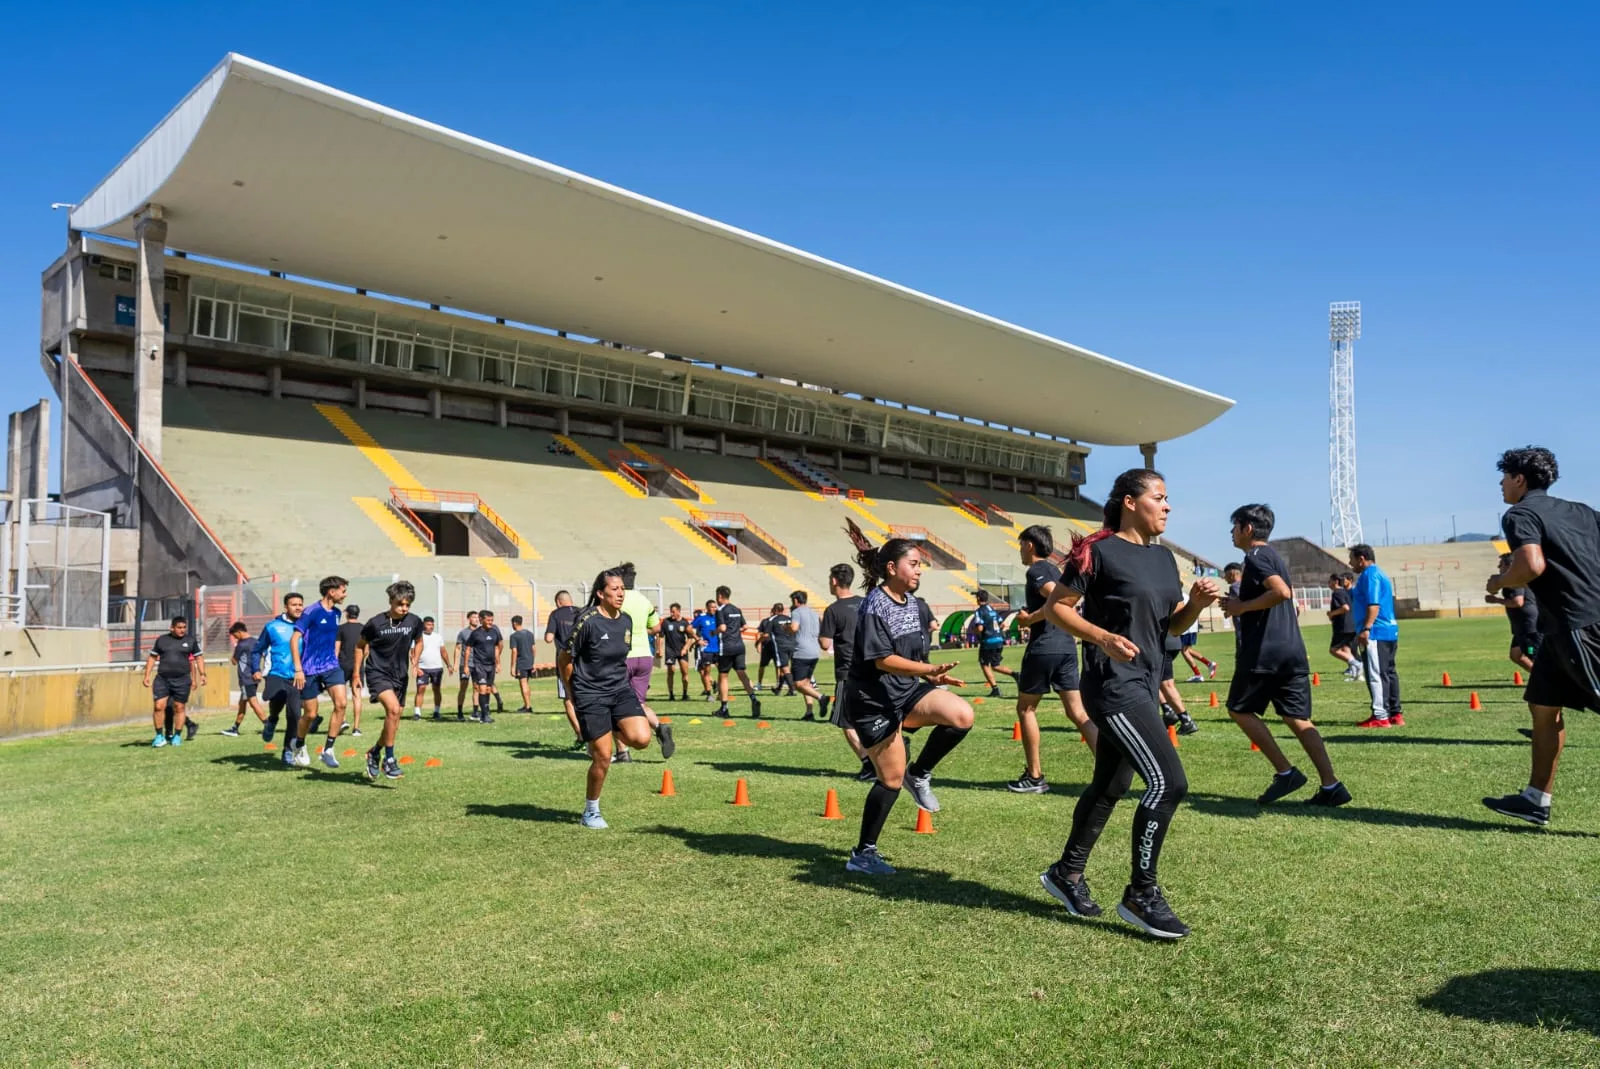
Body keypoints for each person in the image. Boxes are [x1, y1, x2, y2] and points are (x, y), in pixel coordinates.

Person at [1037, 468, 1221, 940]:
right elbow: (1058, 606)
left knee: (1112, 783)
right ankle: (1141, 894)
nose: (1168, 506)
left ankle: (1066, 873)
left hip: (1146, 682)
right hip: (1112, 685)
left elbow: (1170, 628)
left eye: (1167, 498)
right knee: (1169, 782)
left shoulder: (1163, 560)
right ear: (1130, 502)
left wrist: (1196, 604)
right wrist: (1102, 637)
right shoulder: (1097, 551)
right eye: (1160, 497)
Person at [839, 520, 975, 876]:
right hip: (873, 700)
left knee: (961, 715)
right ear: (891, 568)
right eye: (913, 563)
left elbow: (913, 653)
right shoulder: (873, 605)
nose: (919, 570)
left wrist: (932, 673)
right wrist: (925, 671)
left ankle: (922, 773)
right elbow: (882, 659)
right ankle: (863, 853)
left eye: (919, 564)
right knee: (890, 781)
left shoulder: (914, 604)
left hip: (907, 692)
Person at [1482, 447, 1600, 826]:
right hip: (1558, 629)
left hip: (1579, 624)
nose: (1500, 484)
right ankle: (1536, 800)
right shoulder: (1582, 511)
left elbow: (1532, 565)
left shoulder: (1520, 513)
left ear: (1520, 479)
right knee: (1543, 707)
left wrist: (1500, 580)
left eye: (1504, 477)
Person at [1220, 504, 1351, 807]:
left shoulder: (1255, 556)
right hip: (1292, 651)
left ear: (1247, 528)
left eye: (1234, 526)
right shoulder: (1273, 556)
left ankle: (1286, 772)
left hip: (1265, 652)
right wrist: (1238, 602)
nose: (1231, 532)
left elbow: (1281, 592)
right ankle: (1332, 786)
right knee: (1297, 718)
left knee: (1238, 710)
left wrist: (1240, 608)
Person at [1007, 525, 1098, 794]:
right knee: (1078, 713)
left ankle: (1034, 777)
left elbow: (1058, 602)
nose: (1020, 550)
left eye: (1021, 544)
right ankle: (1109, 772)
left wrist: (1028, 619)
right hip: (1066, 647)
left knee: (1026, 709)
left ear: (1030, 545)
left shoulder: (1036, 570)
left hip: (1045, 647)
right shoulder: (1056, 570)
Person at [565, 568, 653, 828]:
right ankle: (591, 810)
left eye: (622, 589)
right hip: (591, 694)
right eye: (614, 589)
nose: (620, 593)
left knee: (642, 739)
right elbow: (565, 658)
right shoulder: (587, 620)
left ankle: (613, 725)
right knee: (603, 756)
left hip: (619, 689)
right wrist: (572, 693)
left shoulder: (626, 620)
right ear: (600, 594)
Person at [354, 581, 425, 783]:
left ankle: (375, 751)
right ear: (391, 601)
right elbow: (360, 646)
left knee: (394, 720)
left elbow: (419, 641)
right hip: (377, 671)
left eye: (407, 605)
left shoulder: (414, 622)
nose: (404, 608)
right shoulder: (375, 623)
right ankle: (390, 759)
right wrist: (357, 674)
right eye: (400, 604)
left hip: (400, 675)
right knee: (393, 710)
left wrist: (415, 660)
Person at [289, 576, 352, 769]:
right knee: (310, 714)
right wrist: (298, 670)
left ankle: (328, 750)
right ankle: (298, 743)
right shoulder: (311, 612)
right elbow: (294, 640)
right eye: (342, 590)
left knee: (341, 704)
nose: (345, 594)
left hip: (331, 666)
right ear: (331, 591)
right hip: (308, 669)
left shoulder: (336, 613)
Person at [819, 564, 872, 780]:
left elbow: (824, 644)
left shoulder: (833, 610)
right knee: (870, 718)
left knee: (845, 721)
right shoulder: (865, 603)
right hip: (871, 669)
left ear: (833, 581)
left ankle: (869, 764)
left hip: (847, 673)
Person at [616, 563, 674, 760]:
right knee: (638, 702)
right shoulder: (643, 600)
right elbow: (657, 627)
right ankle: (659, 726)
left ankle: (623, 752)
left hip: (624, 657)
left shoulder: (618, 599)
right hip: (644, 656)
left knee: (615, 703)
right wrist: (641, 630)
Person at [1349, 545, 1402, 728]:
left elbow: (1374, 605)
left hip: (1376, 632)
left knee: (1376, 673)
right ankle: (1395, 713)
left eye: (1352, 559)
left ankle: (1380, 716)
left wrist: (1366, 629)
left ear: (1361, 559)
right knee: (1389, 672)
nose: (1350, 563)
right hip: (1388, 630)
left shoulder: (1370, 575)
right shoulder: (1377, 573)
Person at [254, 593, 305, 760]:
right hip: (276, 673)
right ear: (286, 607)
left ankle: (288, 750)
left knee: (295, 715)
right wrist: (256, 668)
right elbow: (258, 649)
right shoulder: (273, 627)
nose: (298, 607)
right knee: (276, 698)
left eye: (300, 604)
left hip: (297, 677)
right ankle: (272, 720)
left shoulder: (306, 627)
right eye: (294, 604)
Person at [143, 615, 203, 748]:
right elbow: (152, 658)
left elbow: (196, 660)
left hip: (182, 680)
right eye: (179, 627)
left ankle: (177, 736)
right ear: (172, 628)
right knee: (159, 706)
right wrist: (146, 675)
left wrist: (200, 676)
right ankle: (159, 736)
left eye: (184, 627)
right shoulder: (162, 640)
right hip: (163, 679)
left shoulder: (190, 641)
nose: (182, 630)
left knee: (179, 707)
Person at [1485, 552, 1540, 675]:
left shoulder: (1514, 581)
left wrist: (1496, 600)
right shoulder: (1513, 580)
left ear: (1509, 565)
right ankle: (1537, 677)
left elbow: (1518, 602)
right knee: (1516, 655)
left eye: (1501, 565)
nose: (1499, 568)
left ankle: (1548, 681)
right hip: (1522, 625)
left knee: (1534, 656)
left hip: (1528, 625)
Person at [543, 591, 584, 747]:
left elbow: (548, 638)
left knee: (568, 699)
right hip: (584, 661)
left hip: (565, 661)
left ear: (558, 602)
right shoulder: (582, 612)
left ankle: (581, 736)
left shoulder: (555, 614)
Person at [714, 586, 761, 717]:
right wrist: (735, 632)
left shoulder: (720, 610)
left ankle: (724, 708)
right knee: (742, 673)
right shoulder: (736, 609)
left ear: (720, 596)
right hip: (739, 646)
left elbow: (722, 628)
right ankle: (753, 698)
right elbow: (744, 626)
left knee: (723, 676)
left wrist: (714, 632)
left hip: (727, 646)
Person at [222, 621, 268, 737]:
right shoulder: (255, 641)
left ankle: (268, 726)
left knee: (253, 702)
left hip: (246, 678)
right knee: (242, 703)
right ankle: (235, 728)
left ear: (239, 632)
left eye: (234, 636)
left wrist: (235, 649)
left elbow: (234, 661)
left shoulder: (241, 645)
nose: (234, 638)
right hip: (253, 676)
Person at [789, 590, 825, 720]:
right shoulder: (814, 613)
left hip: (801, 651)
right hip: (814, 651)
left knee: (798, 684)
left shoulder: (796, 612)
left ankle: (821, 698)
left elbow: (794, 628)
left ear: (795, 601)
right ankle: (809, 712)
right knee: (806, 683)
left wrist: (785, 628)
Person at [971, 590, 1014, 697]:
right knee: (995, 665)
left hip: (987, 641)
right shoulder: (992, 610)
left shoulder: (979, 611)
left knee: (984, 664)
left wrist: (974, 630)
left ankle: (995, 689)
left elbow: (980, 628)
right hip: (999, 640)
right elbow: (1003, 624)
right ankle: (1016, 675)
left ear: (978, 599)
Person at [465, 609, 504, 724]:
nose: (490, 622)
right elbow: (468, 649)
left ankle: (484, 713)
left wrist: (498, 663)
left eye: (492, 620)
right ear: (481, 620)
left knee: (488, 689)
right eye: (488, 620)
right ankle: (484, 715)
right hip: (479, 665)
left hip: (491, 665)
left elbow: (497, 648)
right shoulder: (475, 633)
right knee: (481, 688)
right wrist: (466, 665)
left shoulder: (494, 632)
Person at [1158, 633, 1199, 736]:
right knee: (1153, 678)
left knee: (1166, 683)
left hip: (1162, 643)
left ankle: (1186, 720)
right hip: (1172, 640)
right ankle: (1167, 710)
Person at [412, 616, 450, 719]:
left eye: (432, 624)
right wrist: (416, 667)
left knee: (436, 689)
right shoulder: (417, 637)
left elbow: (443, 652)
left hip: (437, 668)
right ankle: (417, 713)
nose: (431, 626)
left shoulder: (438, 637)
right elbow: (412, 653)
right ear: (423, 625)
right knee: (421, 689)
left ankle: (437, 711)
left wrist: (448, 665)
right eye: (428, 624)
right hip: (422, 668)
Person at [336, 604, 365, 738]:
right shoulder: (364, 629)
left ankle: (343, 720)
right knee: (356, 696)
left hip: (342, 665)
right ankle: (357, 728)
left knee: (340, 696)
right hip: (358, 666)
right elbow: (367, 650)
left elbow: (336, 650)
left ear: (347, 614)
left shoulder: (340, 629)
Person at [1327, 573, 1362, 680]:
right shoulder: (1345, 592)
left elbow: (1345, 608)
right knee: (1346, 649)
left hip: (1343, 627)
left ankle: (1357, 663)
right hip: (1352, 625)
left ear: (1336, 581)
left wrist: (1332, 614)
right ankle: (1355, 674)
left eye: (1330, 581)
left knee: (1334, 650)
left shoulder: (1337, 593)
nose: (1328, 583)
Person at [658, 603, 695, 701]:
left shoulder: (684, 622)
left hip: (682, 651)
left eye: (673, 611)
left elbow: (690, 638)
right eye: (671, 611)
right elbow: (661, 637)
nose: (672, 613)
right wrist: (659, 649)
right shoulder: (666, 622)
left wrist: (685, 648)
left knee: (685, 672)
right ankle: (671, 694)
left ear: (679, 611)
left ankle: (685, 694)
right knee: (671, 671)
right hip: (670, 651)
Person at [690, 600, 720, 700]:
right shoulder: (701, 618)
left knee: (722, 671)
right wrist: (698, 640)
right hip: (706, 649)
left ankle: (721, 692)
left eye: (715, 607)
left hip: (718, 649)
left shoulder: (718, 617)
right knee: (706, 672)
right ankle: (709, 694)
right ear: (707, 608)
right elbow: (689, 628)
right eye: (712, 607)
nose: (714, 609)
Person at [508, 614, 537, 712]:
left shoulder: (514, 636)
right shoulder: (530, 634)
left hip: (521, 663)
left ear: (515, 623)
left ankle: (528, 706)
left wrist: (512, 667)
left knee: (523, 683)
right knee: (526, 684)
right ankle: (527, 704)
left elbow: (514, 651)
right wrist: (533, 662)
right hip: (529, 662)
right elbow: (533, 648)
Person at [768, 602, 797, 696]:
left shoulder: (772, 620)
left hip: (781, 646)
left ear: (775, 610)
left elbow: (766, 634)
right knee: (783, 668)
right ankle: (779, 688)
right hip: (792, 644)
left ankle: (792, 689)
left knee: (784, 667)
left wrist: (758, 642)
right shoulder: (788, 619)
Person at [454, 610, 480, 719]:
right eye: (474, 617)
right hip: (465, 664)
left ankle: (475, 711)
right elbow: (458, 648)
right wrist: (455, 664)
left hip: (478, 664)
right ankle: (460, 711)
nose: (476, 619)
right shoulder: (463, 633)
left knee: (476, 687)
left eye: (477, 617)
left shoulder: (481, 632)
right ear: (469, 619)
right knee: (463, 687)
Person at [1177, 618, 1218, 683]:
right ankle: (1209, 664)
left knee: (1184, 651)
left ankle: (1198, 675)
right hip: (1191, 626)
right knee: (1187, 649)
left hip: (1186, 626)